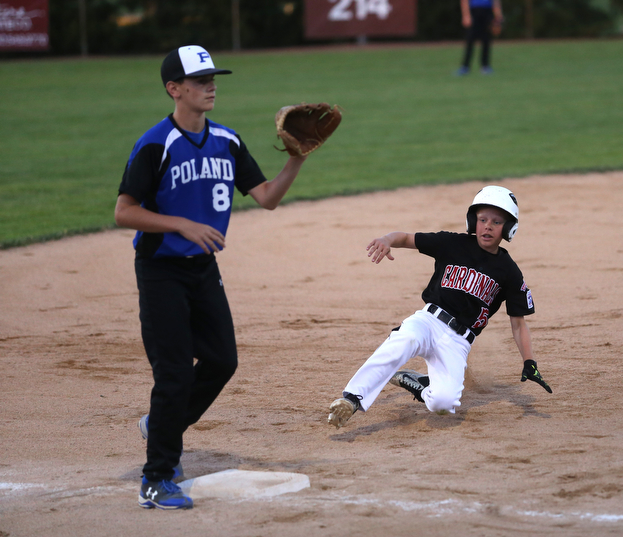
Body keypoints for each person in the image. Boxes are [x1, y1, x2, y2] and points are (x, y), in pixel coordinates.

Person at [115, 45, 308, 510]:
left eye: (212, 78)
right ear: (174, 89)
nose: (210, 85)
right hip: (161, 271)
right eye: (200, 80)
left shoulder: (227, 140)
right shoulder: (156, 143)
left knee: (222, 361)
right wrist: (180, 223)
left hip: (203, 270)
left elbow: (266, 197)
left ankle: (163, 423)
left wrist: (297, 159)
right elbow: (125, 212)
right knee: (175, 372)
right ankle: (156, 477)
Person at [328, 185, 552, 429]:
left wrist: (529, 362)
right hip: (429, 321)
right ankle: (351, 399)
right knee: (404, 340)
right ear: (472, 221)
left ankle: (422, 385)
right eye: (482, 219)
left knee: (443, 405)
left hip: (458, 342)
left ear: (509, 228)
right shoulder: (452, 244)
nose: (487, 226)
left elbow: (518, 324)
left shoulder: (509, 271)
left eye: (496, 222)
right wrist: (386, 239)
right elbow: (405, 238)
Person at [456, 0, 503, 75]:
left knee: (486, 39)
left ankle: (485, 66)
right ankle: (465, 67)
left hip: (488, 11)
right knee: (470, 39)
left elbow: (496, 1)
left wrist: (498, 15)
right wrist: (466, 15)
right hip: (473, 11)